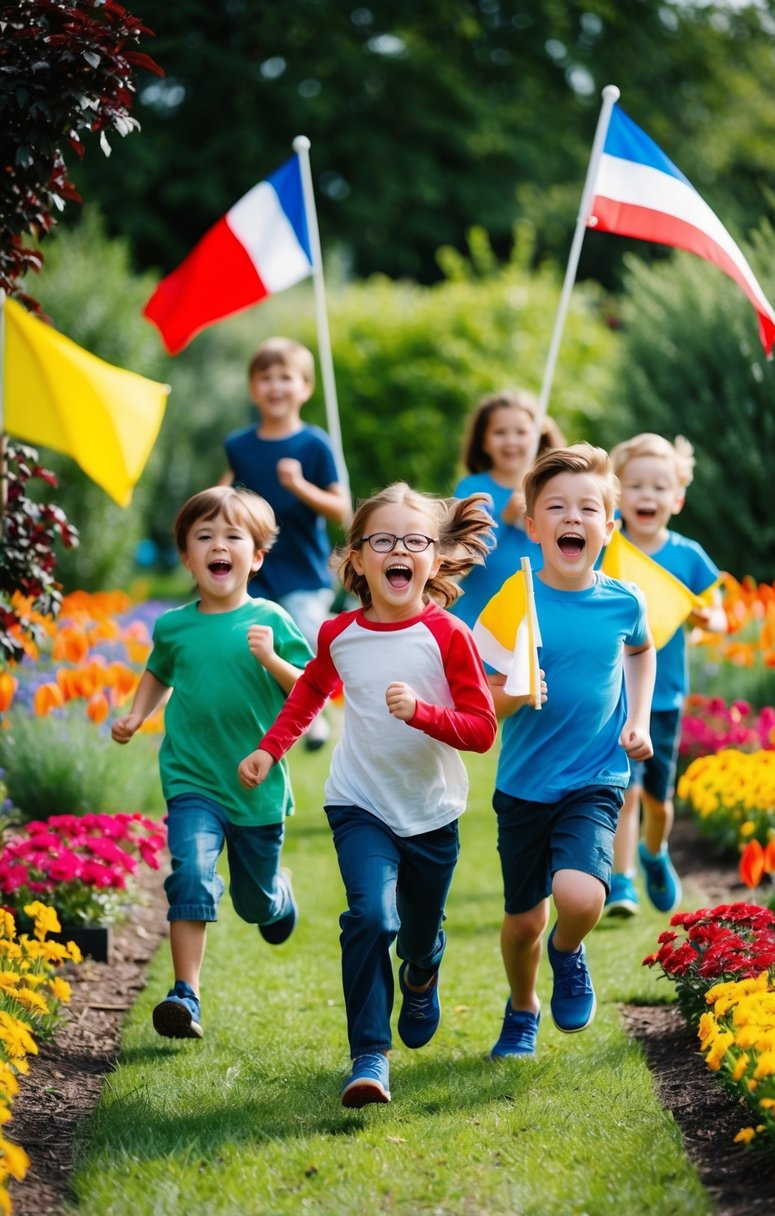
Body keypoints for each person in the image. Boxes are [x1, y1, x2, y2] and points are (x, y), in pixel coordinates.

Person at [238, 482, 498, 1107]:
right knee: (371, 919)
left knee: (415, 933)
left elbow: (483, 730)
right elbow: (308, 695)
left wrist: (424, 714)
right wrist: (269, 748)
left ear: (434, 558)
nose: (399, 550)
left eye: (415, 541)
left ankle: (422, 969)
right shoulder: (339, 634)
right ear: (357, 558)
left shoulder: (449, 635)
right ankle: (369, 1058)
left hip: (431, 811)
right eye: (383, 540)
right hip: (358, 802)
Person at [112, 486, 313, 1040]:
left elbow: (311, 688)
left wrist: (272, 657)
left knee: (254, 904)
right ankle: (186, 994)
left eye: (232, 537)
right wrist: (136, 714)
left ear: (257, 555)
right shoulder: (175, 625)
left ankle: (277, 896)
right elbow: (159, 672)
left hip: (255, 788)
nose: (217, 546)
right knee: (192, 876)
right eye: (204, 537)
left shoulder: (270, 618)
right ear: (186, 556)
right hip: (191, 778)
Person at [488, 443, 655, 1058]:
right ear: (532, 526)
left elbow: (641, 651)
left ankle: (568, 949)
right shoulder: (515, 600)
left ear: (607, 529)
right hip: (524, 784)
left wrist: (637, 719)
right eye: (556, 506)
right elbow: (487, 695)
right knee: (522, 922)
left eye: (588, 508)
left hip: (595, 775)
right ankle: (523, 1006)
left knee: (581, 895)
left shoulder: (623, 601)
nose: (572, 517)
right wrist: (516, 690)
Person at [604, 433, 726, 919]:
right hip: (615, 691)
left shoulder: (687, 554)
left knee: (659, 801)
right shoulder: (607, 548)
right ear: (618, 494)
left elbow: (719, 617)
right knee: (626, 790)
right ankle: (621, 881)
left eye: (659, 487)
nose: (647, 496)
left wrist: (702, 616)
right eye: (635, 486)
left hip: (666, 696)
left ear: (677, 497)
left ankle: (655, 853)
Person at [221, 337, 351, 750]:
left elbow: (340, 508)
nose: (275, 386)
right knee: (249, 642)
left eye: (286, 377)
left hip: (303, 569)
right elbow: (225, 494)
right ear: (252, 387)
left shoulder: (314, 444)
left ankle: (314, 715)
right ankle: (270, 716)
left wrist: (299, 485)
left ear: (305, 387)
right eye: (265, 377)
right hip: (254, 569)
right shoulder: (239, 446)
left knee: (304, 638)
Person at [450, 388, 566, 628]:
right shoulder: (472, 489)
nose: (511, 441)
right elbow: (462, 552)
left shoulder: (558, 489)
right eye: (500, 432)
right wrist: (504, 518)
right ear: (484, 441)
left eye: (521, 432)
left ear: (537, 436)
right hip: (479, 620)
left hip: (541, 621)